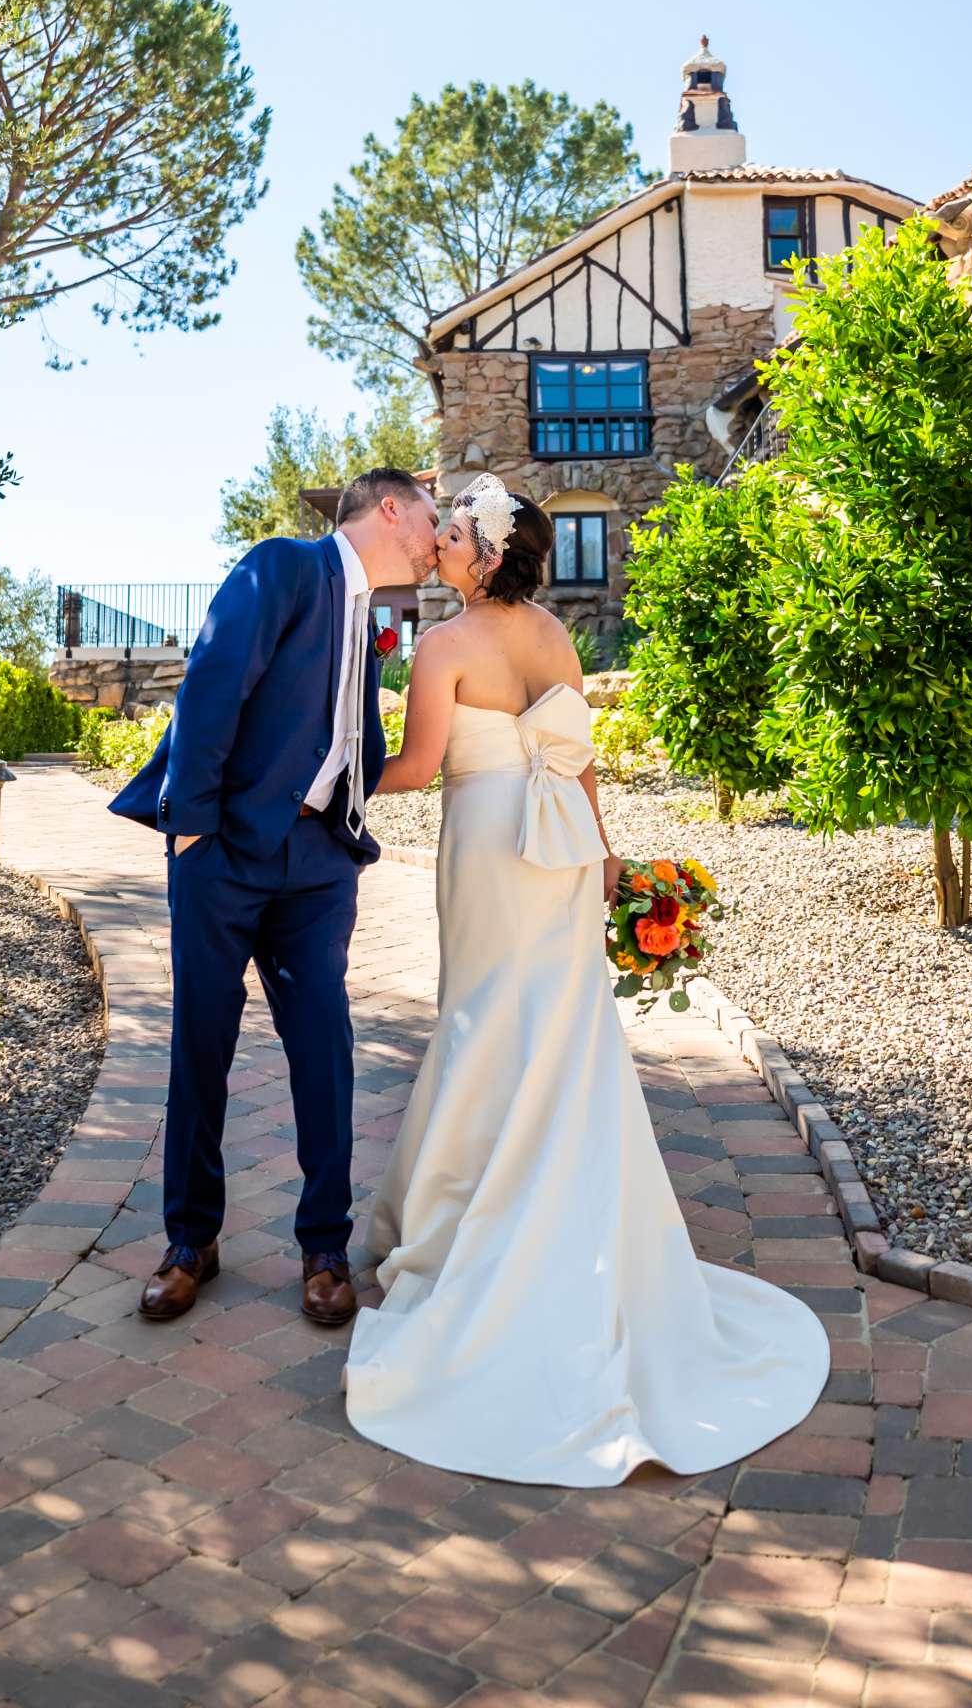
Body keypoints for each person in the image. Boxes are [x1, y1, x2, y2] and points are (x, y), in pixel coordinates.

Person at [342, 474, 830, 1485]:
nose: (440, 545)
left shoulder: (441, 647)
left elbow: (423, 766)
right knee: (564, 1021)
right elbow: (581, 762)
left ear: (482, 552)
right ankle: (563, 1198)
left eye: (455, 535)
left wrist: (336, 767)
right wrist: (606, 857)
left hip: (486, 845)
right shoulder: (558, 639)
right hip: (564, 851)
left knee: (483, 1017)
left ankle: (468, 1220)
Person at [108, 467, 440, 1327]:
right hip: (223, 854)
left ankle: (323, 1249)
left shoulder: (373, 614)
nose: (439, 536)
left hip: (318, 862)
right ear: (391, 506)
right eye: (432, 516)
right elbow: (213, 683)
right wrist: (190, 825)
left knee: (325, 1043)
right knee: (202, 1045)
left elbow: (345, 735)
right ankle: (191, 1242)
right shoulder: (284, 566)